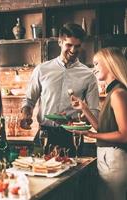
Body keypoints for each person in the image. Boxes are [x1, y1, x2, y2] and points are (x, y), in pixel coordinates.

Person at [20, 23, 99, 156]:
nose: (73, 50)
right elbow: (29, 100)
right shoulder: (42, 69)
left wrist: (81, 119)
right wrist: (25, 115)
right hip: (44, 133)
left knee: (72, 174)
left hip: (72, 136)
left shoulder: (89, 75)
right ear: (60, 42)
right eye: (69, 45)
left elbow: (94, 111)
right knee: (39, 173)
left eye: (77, 46)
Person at [70, 47, 127, 200]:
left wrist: (90, 134)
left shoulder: (118, 94)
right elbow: (103, 129)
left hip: (116, 159)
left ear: (109, 64)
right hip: (108, 158)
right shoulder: (112, 92)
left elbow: (124, 135)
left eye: (96, 64)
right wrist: (85, 108)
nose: (93, 69)